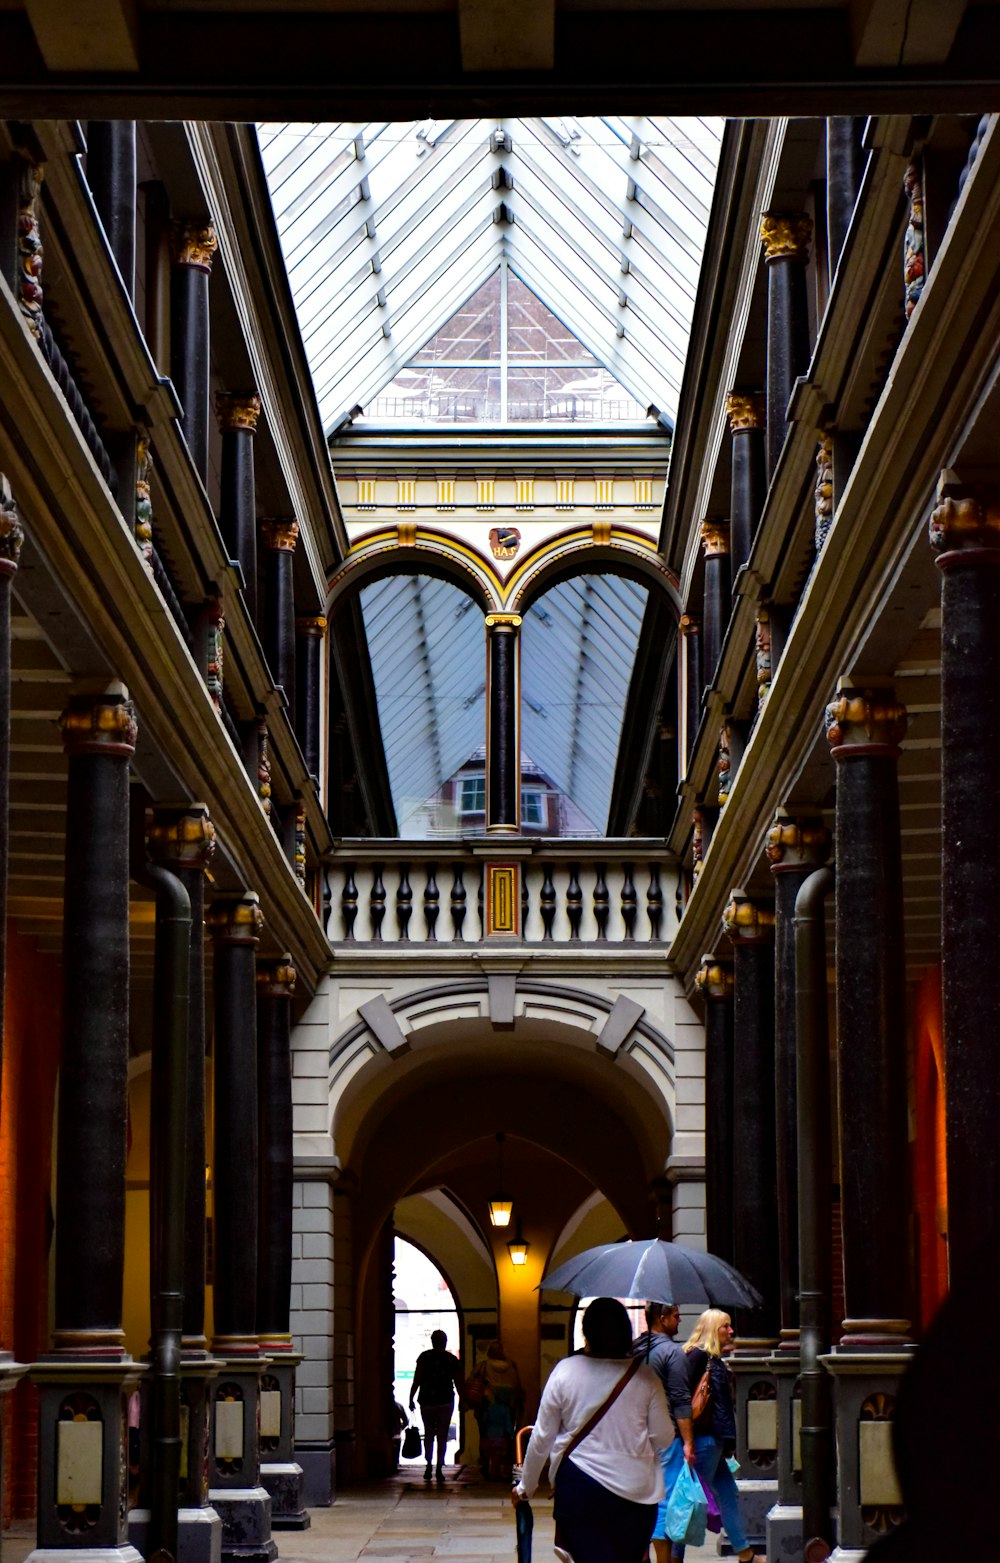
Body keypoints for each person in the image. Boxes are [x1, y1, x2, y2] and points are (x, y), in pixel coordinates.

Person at [512, 1297, 674, 1563]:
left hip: (579, 1488)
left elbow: (542, 1438)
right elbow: (664, 1437)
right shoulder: (646, 1377)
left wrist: (525, 1488)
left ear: (586, 1332)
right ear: (626, 1332)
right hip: (636, 1494)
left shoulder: (565, 1371)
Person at [682, 1309, 763, 1563]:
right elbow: (683, 1398)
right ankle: (672, 1557)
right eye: (725, 1327)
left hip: (716, 1442)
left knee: (728, 1492)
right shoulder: (698, 1357)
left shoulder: (714, 1359)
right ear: (711, 1330)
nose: (731, 1331)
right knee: (689, 1504)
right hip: (705, 1441)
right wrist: (688, 1440)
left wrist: (728, 1444)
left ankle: (744, 1553)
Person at [632, 1302, 696, 1563]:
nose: (680, 1321)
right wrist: (688, 1442)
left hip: (634, 1435)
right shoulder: (673, 1352)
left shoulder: (633, 1349)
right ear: (662, 1318)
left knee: (639, 1497)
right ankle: (664, 1559)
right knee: (665, 1500)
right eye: (676, 1316)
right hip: (665, 1434)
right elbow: (680, 1400)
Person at [409, 1328, 465, 1485]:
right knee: (442, 1435)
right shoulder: (451, 1360)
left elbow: (417, 1379)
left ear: (432, 1341)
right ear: (445, 1342)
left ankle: (428, 1465)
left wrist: (411, 1397)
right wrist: (463, 1399)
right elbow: (459, 1383)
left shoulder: (424, 1357)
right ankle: (439, 1467)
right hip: (445, 1401)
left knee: (428, 1434)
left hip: (427, 1400)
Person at [466, 1339, 524, 1480]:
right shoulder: (511, 1366)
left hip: (487, 1405)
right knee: (508, 1438)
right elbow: (517, 1387)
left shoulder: (483, 1366)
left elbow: (470, 1381)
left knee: (485, 1437)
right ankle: (506, 1467)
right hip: (508, 1406)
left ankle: (487, 1465)